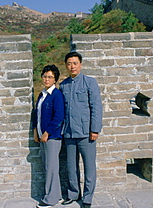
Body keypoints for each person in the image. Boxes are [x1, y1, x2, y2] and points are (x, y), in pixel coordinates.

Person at [60, 52, 103, 208]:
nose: (72, 66)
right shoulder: (63, 85)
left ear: (80, 64)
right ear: (66, 66)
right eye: (69, 63)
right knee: (71, 165)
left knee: (89, 166)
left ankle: (87, 197)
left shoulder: (89, 82)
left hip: (86, 132)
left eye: (75, 63)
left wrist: (95, 129)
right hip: (69, 132)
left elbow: (96, 107)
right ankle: (73, 194)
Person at [33, 65, 65, 208]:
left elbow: (59, 117)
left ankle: (50, 200)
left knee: (51, 168)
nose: (47, 79)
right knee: (49, 167)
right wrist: (36, 131)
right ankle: (56, 195)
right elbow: (37, 114)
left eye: (50, 77)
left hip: (52, 138)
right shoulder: (42, 94)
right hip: (42, 137)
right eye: (45, 76)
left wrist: (47, 133)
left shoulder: (57, 95)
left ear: (55, 79)